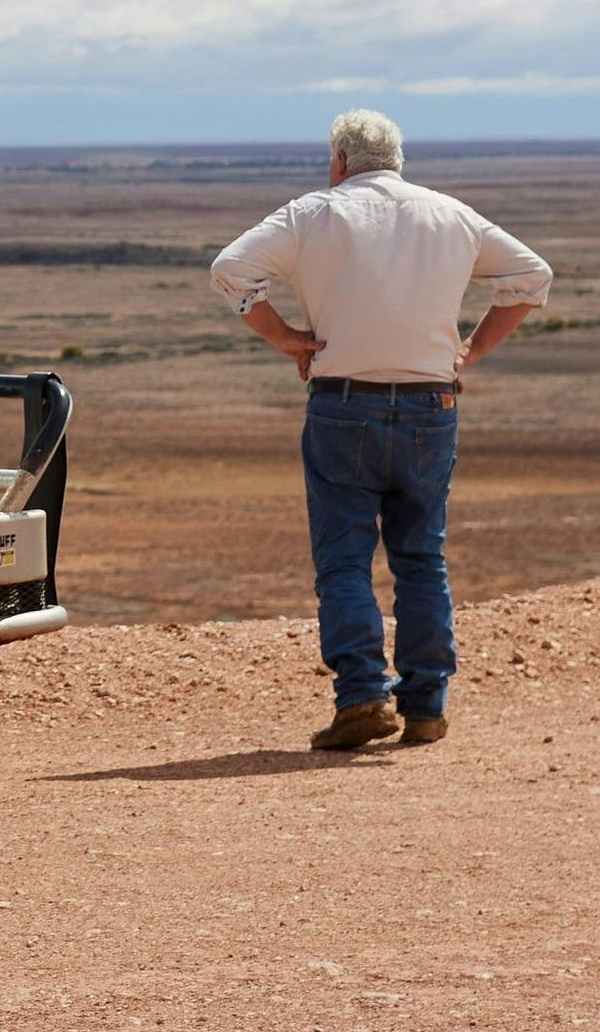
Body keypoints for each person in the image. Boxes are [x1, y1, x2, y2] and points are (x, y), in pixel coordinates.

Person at [209, 109, 552, 752]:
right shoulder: (450, 214)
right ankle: (426, 705)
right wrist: (470, 350)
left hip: (343, 405)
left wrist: (286, 339)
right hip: (431, 406)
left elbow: (232, 269)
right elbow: (532, 278)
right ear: (398, 162)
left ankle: (363, 695)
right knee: (421, 557)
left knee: (344, 559)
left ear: (339, 161)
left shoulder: (311, 213)